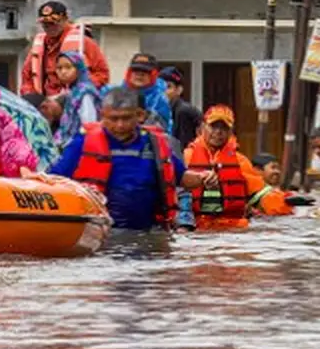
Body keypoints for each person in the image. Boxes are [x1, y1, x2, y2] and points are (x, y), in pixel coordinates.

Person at [50, 87, 213, 231]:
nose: (120, 125)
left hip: (149, 232)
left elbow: (181, 177)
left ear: (140, 115)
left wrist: (202, 178)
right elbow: (53, 180)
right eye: (113, 119)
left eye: (126, 118)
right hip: (101, 233)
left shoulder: (155, 144)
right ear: (102, 116)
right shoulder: (82, 143)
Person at [183, 105, 293, 228]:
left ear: (231, 131)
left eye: (224, 128)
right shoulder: (186, 157)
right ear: (203, 128)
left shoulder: (240, 161)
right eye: (213, 126)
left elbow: (261, 195)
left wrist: (288, 202)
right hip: (195, 227)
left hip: (232, 229)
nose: (218, 132)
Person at [20, 1, 110, 97]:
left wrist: (80, 88)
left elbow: (102, 74)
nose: (49, 27)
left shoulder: (83, 42)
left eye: (53, 23)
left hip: (74, 99)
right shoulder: (39, 44)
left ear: (65, 19)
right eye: (45, 24)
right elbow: (27, 77)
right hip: (45, 103)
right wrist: (30, 95)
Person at [106, 53, 172, 133]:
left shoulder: (160, 100)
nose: (139, 75)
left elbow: (161, 130)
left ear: (154, 75)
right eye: (135, 70)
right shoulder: (114, 94)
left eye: (145, 71)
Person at [54, 51, 102, 148]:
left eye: (68, 67)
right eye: (59, 68)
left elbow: (89, 124)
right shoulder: (73, 91)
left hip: (80, 146)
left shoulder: (85, 92)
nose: (63, 72)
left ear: (78, 68)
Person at [160, 66, 201, 148]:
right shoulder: (162, 111)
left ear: (179, 90)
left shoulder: (183, 111)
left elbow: (182, 148)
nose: (163, 91)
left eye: (168, 87)